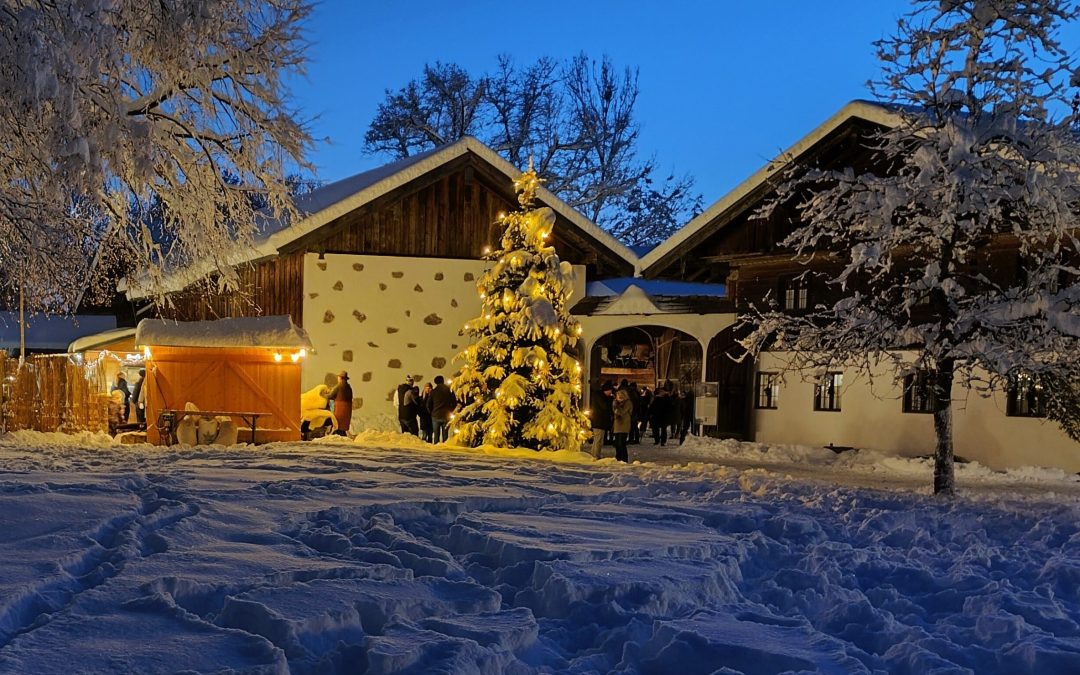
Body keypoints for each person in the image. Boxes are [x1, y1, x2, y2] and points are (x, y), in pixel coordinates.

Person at [427, 375, 456, 443]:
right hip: (446, 415)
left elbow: (428, 404)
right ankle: (444, 448)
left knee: (436, 435)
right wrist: (450, 410)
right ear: (442, 381)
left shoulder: (433, 391)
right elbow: (454, 402)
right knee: (445, 435)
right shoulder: (449, 390)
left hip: (435, 415)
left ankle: (436, 449)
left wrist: (431, 412)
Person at [589, 382, 614, 459]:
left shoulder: (598, 396)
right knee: (598, 440)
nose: (611, 393)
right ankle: (596, 455)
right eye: (610, 391)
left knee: (597, 439)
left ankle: (594, 454)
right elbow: (604, 407)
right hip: (599, 421)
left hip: (598, 421)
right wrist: (610, 400)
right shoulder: (601, 397)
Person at [328, 371, 353, 436]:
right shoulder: (348, 387)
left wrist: (323, 394)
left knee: (338, 422)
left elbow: (330, 396)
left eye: (338, 377)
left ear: (341, 378)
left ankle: (337, 434)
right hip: (347, 408)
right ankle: (342, 433)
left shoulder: (339, 386)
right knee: (343, 425)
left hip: (340, 407)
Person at [612, 387, 633, 462]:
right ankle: (618, 457)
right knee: (617, 443)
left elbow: (621, 412)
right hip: (617, 424)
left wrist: (617, 407)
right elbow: (615, 412)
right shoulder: (617, 404)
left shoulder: (627, 403)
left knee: (621, 443)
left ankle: (624, 459)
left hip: (624, 424)